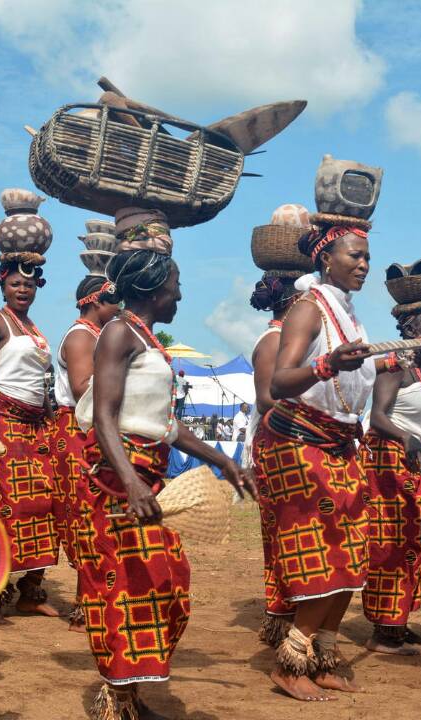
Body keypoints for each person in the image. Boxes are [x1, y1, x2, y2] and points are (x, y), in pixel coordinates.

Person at [76, 227, 253, 718]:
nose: (180, 293)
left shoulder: (146, 339)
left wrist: (223, 461)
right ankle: (118, 696)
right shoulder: (118, 333)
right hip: (119, 479)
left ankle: (126, 691)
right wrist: (130, 482)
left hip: (145, 475)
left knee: (165, 583)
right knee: (127, 582)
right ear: (155, 290)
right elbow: (105, 416)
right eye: (175, 284)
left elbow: (166, 426)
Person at [264, 217, 377, 700]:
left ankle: (323, 655)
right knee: (321, 553)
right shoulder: (308, 309)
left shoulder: (346, 313)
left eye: (367, 257)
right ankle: (292, 661)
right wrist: (328, 364)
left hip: (339, 443)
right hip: (300, 443)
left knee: (353, 551)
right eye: (355, 256)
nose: (364, 265)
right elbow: (279, 381)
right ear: (326, 258)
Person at [362, 270, 421, 656]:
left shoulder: (420, 369)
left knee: (414, 540)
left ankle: (398, 619)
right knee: (392, 542)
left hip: (408, 459)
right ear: (411, 328)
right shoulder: (393, 364)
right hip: (387, 461)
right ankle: (385, 630)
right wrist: (406, 438)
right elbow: (377, 416)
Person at [0, 253, 60, 623]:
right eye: (15, 284)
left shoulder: (34, 329)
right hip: (0, 423)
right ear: (2, 286)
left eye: (27, 284)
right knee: (1, 507)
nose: (22, 289)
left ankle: (30, 591)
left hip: (35, 425)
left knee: (46, 502)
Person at [51, 274, 120, 632]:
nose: (119, 307)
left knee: (96, 516)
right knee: (86, 517)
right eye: (114, 301)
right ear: (96, 302)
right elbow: (82, 389)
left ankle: (90, 602)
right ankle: (85, 607)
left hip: (88, 430)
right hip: (76, 432)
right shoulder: (81, 336)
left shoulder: (97, 336)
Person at [246, 271, 301, 646]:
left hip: (296, 442)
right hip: (280, 444)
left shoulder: (294, 341)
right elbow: (268, 400)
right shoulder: (273, 341)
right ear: (292, 302)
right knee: (284, 534)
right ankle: (282, 617)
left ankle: (295, 612)